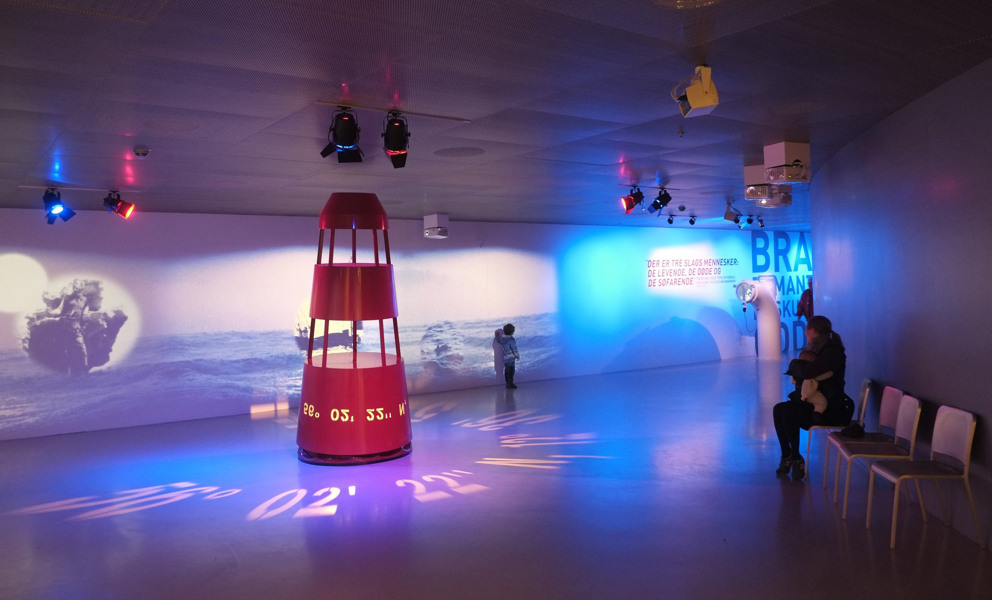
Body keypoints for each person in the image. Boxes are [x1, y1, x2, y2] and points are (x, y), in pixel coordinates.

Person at [772, 315, 846, 480]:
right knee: (778, 409)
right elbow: (804, 372)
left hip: (828, 409)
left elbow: (806, 372)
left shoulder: (831, 351)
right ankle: (787, 455)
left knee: (788, 412)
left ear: (812, 331)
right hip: (812, 403)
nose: (806, 333)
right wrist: (799, 366)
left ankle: (795, 457)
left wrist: (794, 364)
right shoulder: (817, 350)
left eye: (807, 329)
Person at [495, 323, 520, 389]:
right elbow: (514, 349)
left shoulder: (501, 338)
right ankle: (510, 383)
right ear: (512, 332)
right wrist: (517, 356)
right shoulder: (511, 339)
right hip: (511, 358)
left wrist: (497, 336)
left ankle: (507, 383)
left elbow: (498, 340)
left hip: (505, 358)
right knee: (511, 371)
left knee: (507, 370)